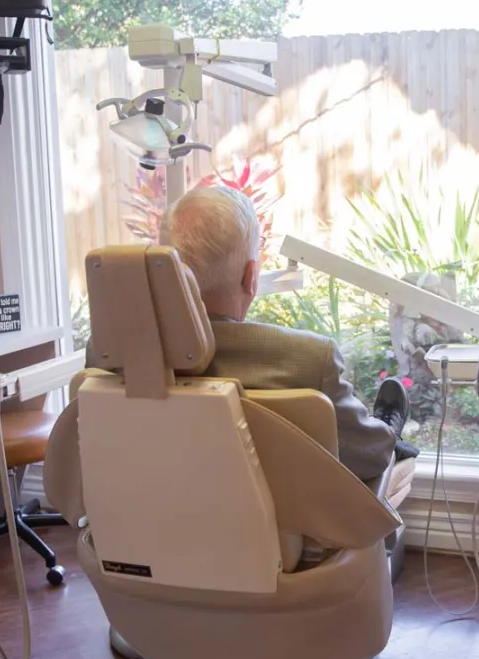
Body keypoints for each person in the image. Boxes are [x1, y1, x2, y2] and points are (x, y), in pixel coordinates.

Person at [87, 184, 418, 482]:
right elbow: (367, 460)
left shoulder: (110, 356)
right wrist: (383, 444)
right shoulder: (307, 360)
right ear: (252, 276)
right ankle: (386, 429)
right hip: (286, 546)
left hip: (151, 535)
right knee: (391, 459)